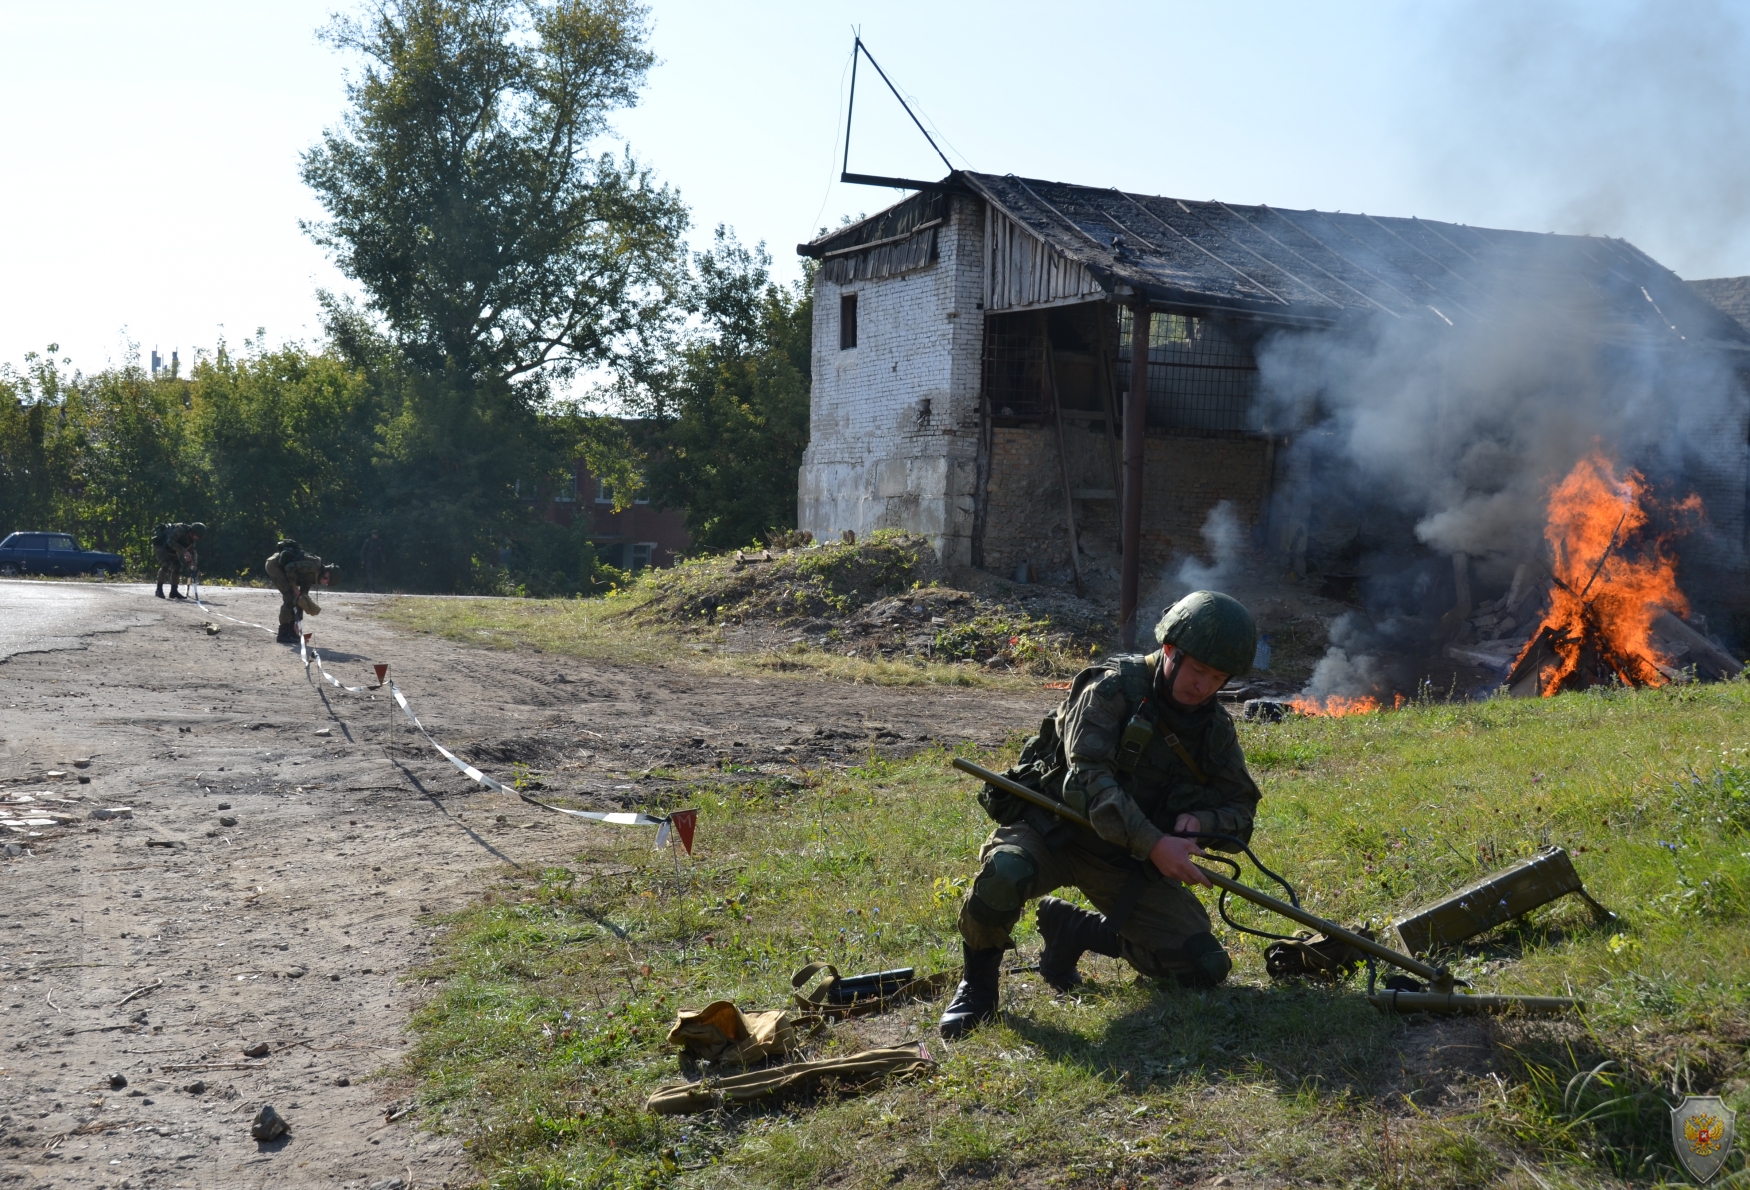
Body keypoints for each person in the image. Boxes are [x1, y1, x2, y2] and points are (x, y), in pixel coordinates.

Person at [940, 590, 1262, 1040]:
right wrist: (1155, 843)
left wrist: (1202, 824)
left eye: (1218, 677)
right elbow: (1086, 781)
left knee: (1202, 966)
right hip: (1053, 828)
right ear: (1170, 651)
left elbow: (1241, 808)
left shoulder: (1214, 729)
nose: (1204, 686)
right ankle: (977, 985)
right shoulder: (1110, 688)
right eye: (1198, 671)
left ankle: (1075, 930)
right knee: (1004, 873)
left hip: (1123, 858)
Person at [264, 539, 338, 644]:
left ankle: (292, 632)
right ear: (327, 574)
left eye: (327, 583)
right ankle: (283, 634)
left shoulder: (315, 577)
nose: (325, 583)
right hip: (274, 565)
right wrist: (294, 586)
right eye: (327, 580)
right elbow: (290, 568)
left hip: (283, 568)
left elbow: (301, 598)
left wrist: (297, 623)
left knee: (297, 599)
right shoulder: (315, 566)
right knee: (289, 598)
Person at [152, 522, 206, 600]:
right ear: (192, 531)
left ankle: (174, 591)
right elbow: (170, 542)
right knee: (166, 564)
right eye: (196, 535)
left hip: (171, 548)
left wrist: (192, 563)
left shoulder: (191, 539)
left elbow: (192, 551)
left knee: (178, 566)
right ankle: (159, 590)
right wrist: (184, 552)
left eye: (198, 537)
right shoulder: (180, 530)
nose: (196, 538)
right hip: (160, 545)